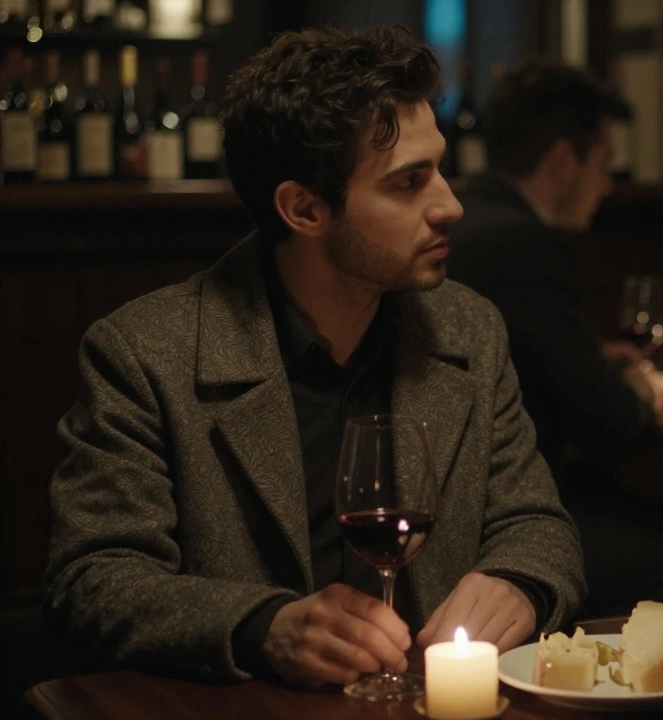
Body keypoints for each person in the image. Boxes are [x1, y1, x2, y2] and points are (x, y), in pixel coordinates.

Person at [43, 26, 585, 687]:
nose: (450, 205)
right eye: (409, 182)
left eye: (439, 169)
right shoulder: (146, 355)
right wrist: (264, 626)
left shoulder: (468, 329)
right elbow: (92, 583)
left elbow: (536, 522)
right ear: (303, 209)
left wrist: (518, 582)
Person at [446, 58, 663, 618]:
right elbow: (610, 422)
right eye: (603, 163)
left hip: (469, 497)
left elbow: (542, 366)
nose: (607, 185)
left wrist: (598, 362)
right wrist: (634, 392)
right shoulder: (522, 245)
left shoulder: (469, 217)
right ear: (563, 160)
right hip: (499, 518)